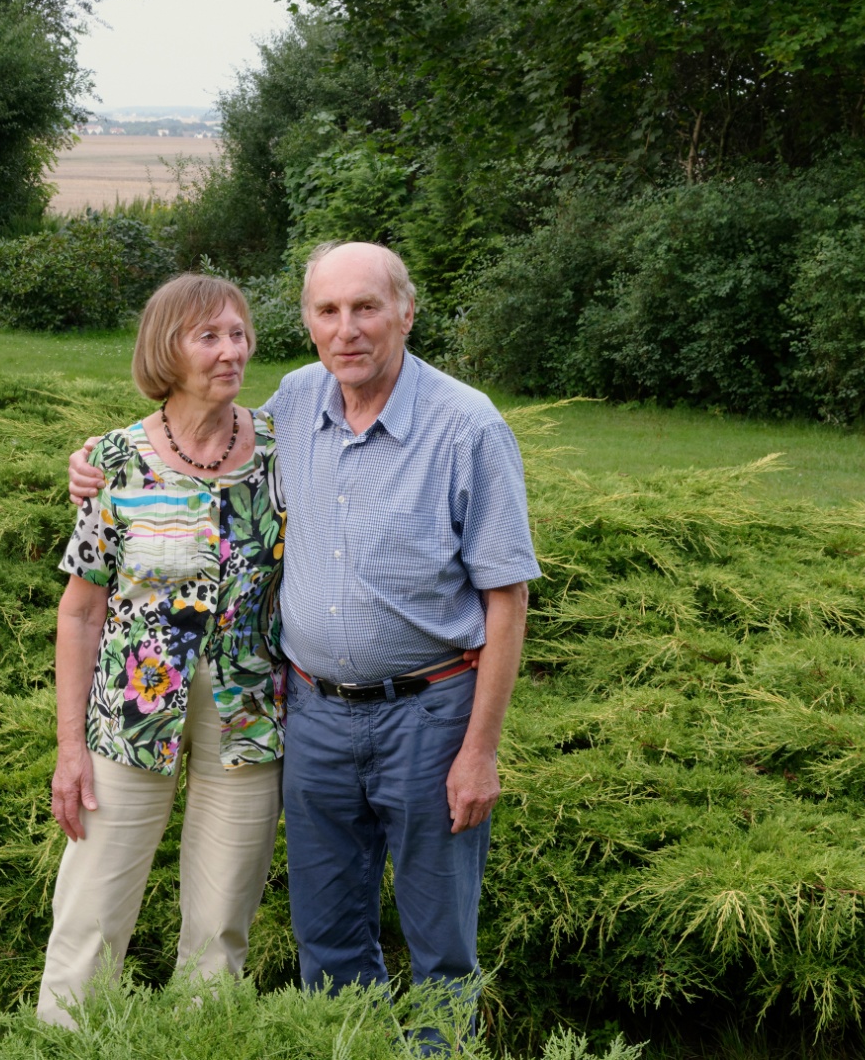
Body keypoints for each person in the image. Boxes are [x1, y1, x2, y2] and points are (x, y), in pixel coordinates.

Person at [68, 242, 538, 1025]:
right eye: (327, 311)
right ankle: (347, 1045)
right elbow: (186, 442)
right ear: (310, 323)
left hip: (428, 716)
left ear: (406, 312)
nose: (346, 329)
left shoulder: (467, 426)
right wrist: (96, 459)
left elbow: (509, 599)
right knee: (328, 934)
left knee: (439, 940)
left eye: (366, 308)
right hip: (312, 715)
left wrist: (480, 750)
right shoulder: (294, 405)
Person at [38, 273, 289, 1028]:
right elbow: (79, 613)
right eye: (208, 335)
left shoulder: (281, 451)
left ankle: (199, 1041)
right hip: (133, 709)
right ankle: (66, 1042)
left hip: (249, 712)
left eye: (239, 333)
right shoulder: (114, 459)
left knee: (222, 922)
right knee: (92, 910)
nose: (231, 350)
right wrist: (69, 746)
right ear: (165, 349)